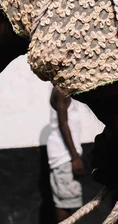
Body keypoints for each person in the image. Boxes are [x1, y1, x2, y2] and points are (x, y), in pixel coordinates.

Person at [47, 87, 86, 223]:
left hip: (66, 157)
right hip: (64, 158)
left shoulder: (66, 91)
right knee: (64, 204)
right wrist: (75, 158)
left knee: (68, 203)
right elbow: (63, 124)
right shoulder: (60, 91)